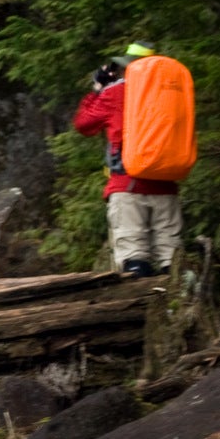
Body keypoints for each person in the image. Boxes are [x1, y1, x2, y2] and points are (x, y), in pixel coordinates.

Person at [73, 41, 195, 277]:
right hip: (167, 184)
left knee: (134, 259)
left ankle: (141, 308)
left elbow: (84, 124)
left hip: (127, 186)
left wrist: (99, 87)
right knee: (172, 259)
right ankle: (178, 307)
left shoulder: (116, 92)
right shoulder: (172, 93)